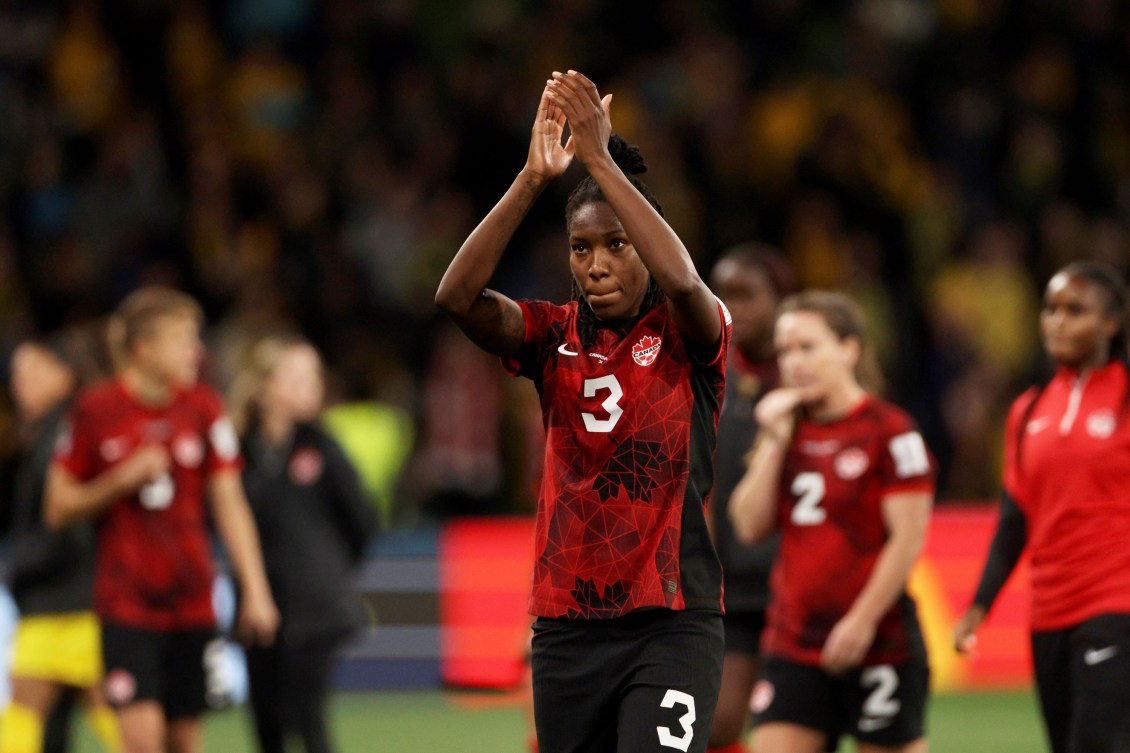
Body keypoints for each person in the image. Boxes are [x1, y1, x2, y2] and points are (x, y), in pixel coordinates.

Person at [435, 70, 730, 753]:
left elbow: (684, 279)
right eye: (581, 247)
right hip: (568, 625)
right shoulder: (549, 335)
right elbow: (456, 296)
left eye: (617, 245)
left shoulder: (694, 337)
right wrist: (533, 179)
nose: (597, 264)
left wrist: (598, 158)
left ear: (647, 249)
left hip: (673, 620)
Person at [42, 286, 279, 753]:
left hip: (193, 603)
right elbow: (57, 508)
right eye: (183, 339)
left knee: (183, 743)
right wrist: (119, 481)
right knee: (142, 743)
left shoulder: (204, 408)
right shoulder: (95, 410)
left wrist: (255, 588)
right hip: (127, 607)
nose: (197, 351)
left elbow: (229, 502)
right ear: (142, 348)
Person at [729, 291, 933, 753]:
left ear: (850, 349)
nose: (794, 362)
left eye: (808, 347)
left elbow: (907, 538)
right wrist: (773, 444)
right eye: (785, 351)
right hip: (794, 641)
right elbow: (748, 526)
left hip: (880, 643)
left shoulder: (890, 431)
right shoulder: (788, 429)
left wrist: (861, 621)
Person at [953, 260, 1130, 753]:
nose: (1057, 320)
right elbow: (1015, 521)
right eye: (1050, 308)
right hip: (1048, 611)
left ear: (1111, 322)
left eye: (1075, 310)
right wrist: (979, 606)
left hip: (1117, 603)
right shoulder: (1028, 409)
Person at [228, 334, 378, 753]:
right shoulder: (238, 451)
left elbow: (363, 521)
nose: (310, 385)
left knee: (308, 719)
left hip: (315, 609)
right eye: (296, 375)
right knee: (265, 721)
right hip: (257, 603)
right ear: (264, 385)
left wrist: (326, 570)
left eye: (313, 375)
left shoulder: (323, 447)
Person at [1, 329, 121, 753]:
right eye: (17, 374)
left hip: (71, 601)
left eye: (34, 370)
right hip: (63, 599)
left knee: (111, 717)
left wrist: (20, 566)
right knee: (38, 715)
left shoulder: (66, 434)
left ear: (65, 375)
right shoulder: (46, 432)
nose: (22, 383)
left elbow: (69, 524)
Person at [705, 245, 796, 753]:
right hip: (732, 586)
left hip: (797, 583)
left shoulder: (808, 376)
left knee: (797, 728)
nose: (734, 308)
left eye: (748, 295)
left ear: (783, 299)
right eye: (725, 294)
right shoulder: (712, 377)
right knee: (717, 726)